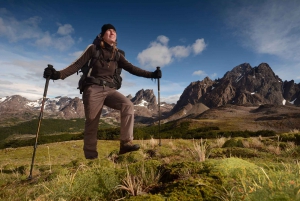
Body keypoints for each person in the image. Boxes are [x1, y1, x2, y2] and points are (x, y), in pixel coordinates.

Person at [43, 24, 162, 159]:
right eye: (109, 31)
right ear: (102, 35)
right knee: (92, 122)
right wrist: (57, 74)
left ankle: (125, 144)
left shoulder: (117, 54)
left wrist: (152, 74)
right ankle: (91, 157)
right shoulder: (93, 49)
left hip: (110, 90)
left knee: (128, 105)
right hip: (93, 89)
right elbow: (77, 64)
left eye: (114, 31)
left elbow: (132, 68)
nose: (112, 32)